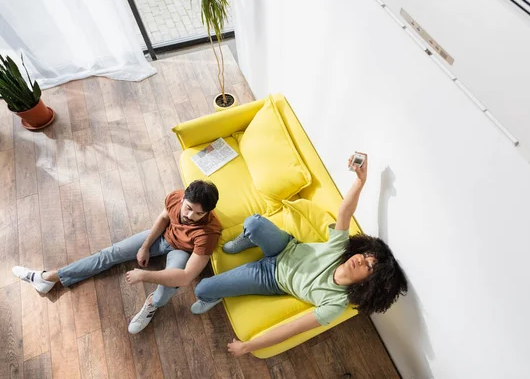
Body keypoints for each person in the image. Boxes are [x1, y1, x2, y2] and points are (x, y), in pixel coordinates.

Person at [129, 153, 408, 356]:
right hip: (285, 246)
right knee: (253, 222)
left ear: (367, 284)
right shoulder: (340, 250)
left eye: (369, 267)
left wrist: (248, 345)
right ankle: (248, 239)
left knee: (202, 288)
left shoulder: (335, 303)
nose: (361, 260)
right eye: (367, 255)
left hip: (271, 278)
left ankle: (218, 291)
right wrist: (361, 181)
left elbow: (292, 329)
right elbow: (345, 212)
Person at [13, 180, 222, 334]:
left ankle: (152, 305)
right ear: (183, 198)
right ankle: (48, 278)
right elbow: (163, 217)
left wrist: (144, 275)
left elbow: (186, 276)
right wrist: (145, 246)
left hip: (183, 251)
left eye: (198, 214)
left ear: (208, 213)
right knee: (110, 253)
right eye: (189, 208)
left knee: (169, 285)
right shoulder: (176, 197)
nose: (190, 216)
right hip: (162, 237)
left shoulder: (208, 234)